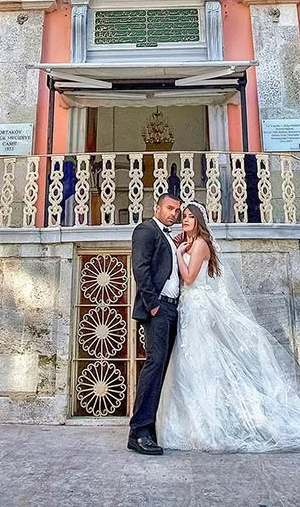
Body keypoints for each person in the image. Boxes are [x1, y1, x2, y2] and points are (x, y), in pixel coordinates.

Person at [156, 202, 300, 453]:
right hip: (188, 306)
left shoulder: (199, 245)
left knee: (200, 362)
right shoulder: (190, 243)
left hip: (197, 306)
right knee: (188, 362)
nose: (185, 220)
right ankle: (188, 423)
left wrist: (179, 253)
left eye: (190, 216)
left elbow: (189, 278)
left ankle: (208, 422)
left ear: (199, 220)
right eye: (183, 216)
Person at [127, 192, 183, 455]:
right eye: (170, 208)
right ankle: (138, 432)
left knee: (161, 368)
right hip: (158, 309)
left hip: (171, 309)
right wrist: (153, 305)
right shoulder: (146, 230)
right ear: (158, 207)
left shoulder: (169, 236)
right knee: (154, 365)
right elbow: (141, 269)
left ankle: (148, 428)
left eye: (177, 211)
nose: (174, 213)